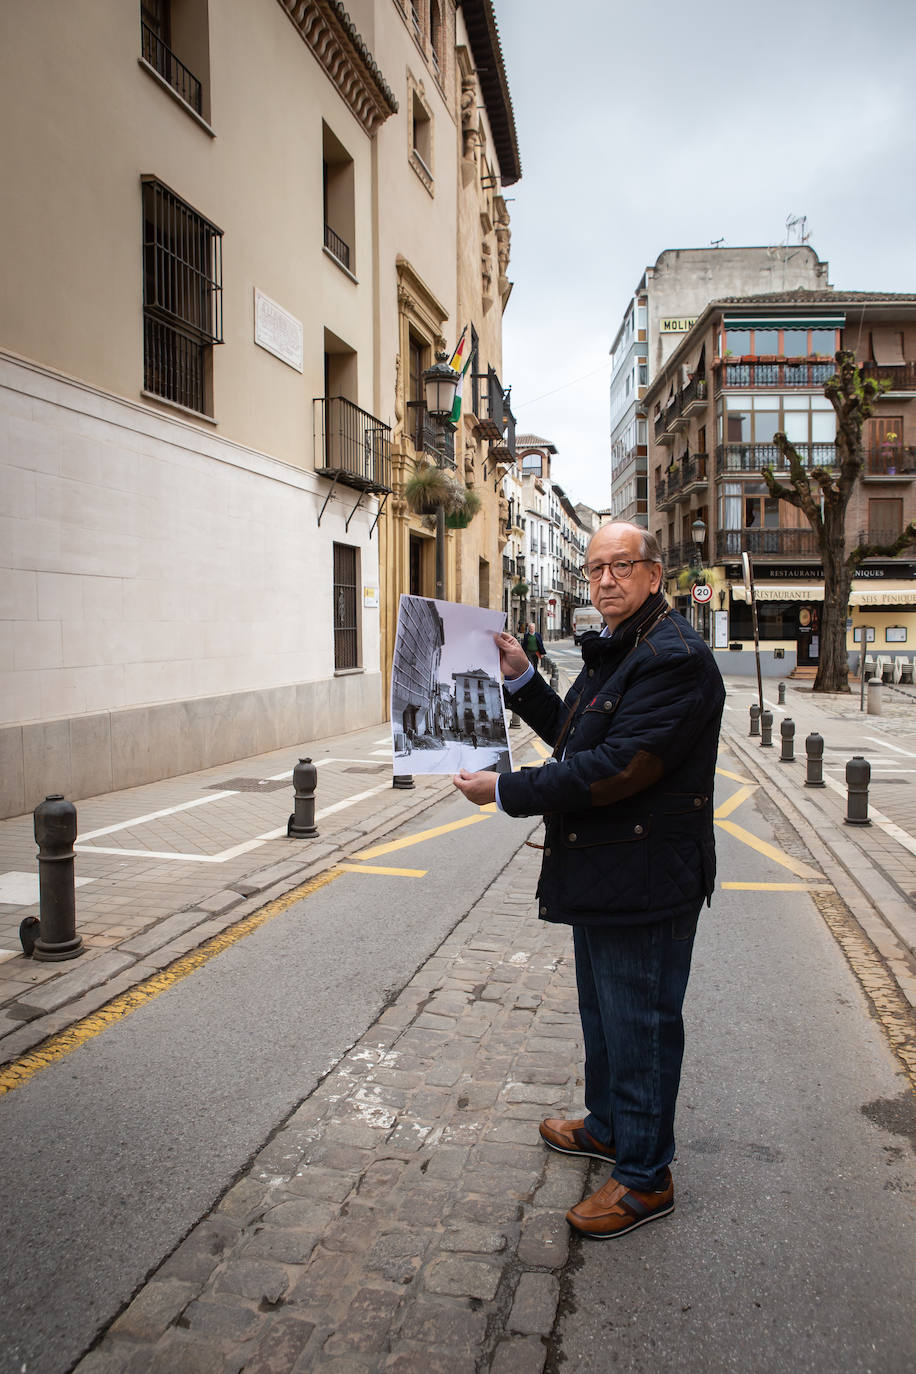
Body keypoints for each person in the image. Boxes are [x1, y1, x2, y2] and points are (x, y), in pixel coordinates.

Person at [453, 522, 724, 1239]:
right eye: (596, 567)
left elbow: (616, 768)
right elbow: (576, 735)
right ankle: (609, 1127)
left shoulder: (674, 658)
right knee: (604, 1018)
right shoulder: (621, 648)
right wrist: (518, 676)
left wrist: (507, 790)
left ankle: (645, 1177)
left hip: (646, 875)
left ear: (655, 574)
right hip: (608, 868)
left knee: (641, 1026)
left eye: (621, 566)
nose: (605, 579)